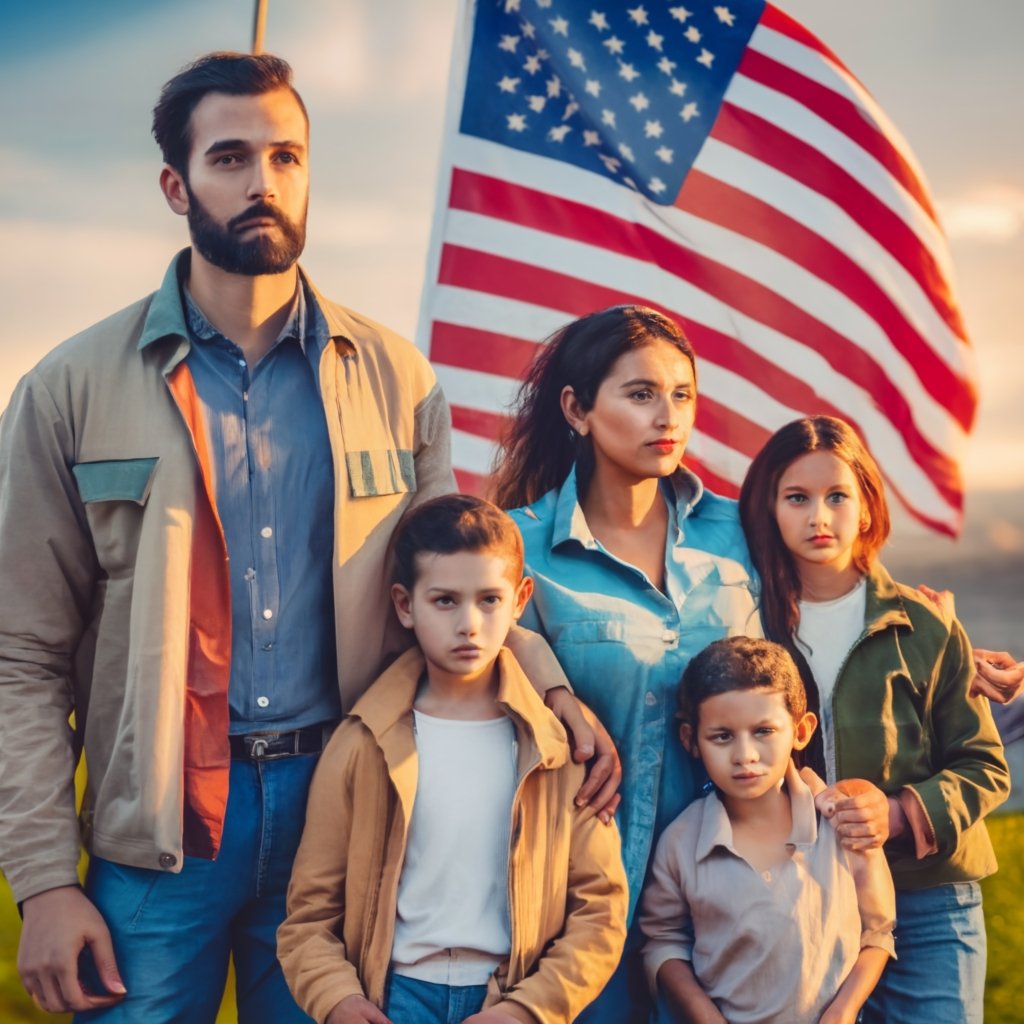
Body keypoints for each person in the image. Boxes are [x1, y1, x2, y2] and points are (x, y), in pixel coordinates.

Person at [0, 52, 613, 1022]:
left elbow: (454, 583)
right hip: (159, 837)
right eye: (231, 157)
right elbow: (19, 655)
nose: (263, 183)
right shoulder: (68, 390)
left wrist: (549, 686)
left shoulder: (398, 380)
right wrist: (42, 880)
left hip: (348, 806)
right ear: (176, 185)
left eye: (287, 157)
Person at [492, 305, 761, 1022]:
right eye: (640, 394)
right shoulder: (518, 548)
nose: (667, 416)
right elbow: (460, 656)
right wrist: (556, 689)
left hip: (732, 901)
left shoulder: (742, 533)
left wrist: (934, 629)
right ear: (577, 409)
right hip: (578, 901)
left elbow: (838, 602)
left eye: (682, 395)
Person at [277, 495, 628, 1024]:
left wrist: (530, 1010)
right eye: (445, 601)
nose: (468, 623)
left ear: (519, 600)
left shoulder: (556, 751)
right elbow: (309, 916)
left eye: (489, 599)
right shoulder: (361, 745)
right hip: (391, 999)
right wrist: (337, 999)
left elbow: (600, 912)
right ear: (405, 605)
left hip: (510, 998)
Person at [738, 415, 1009, 1024]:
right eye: (797, 498)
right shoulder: (748, 627)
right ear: (770, 510)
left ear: (865, 507)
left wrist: (898, 813)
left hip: (926, 900)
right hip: (798, 898)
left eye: (838, 496)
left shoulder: (926, 624)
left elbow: (984, 765)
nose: (819, 517)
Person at [639, 636, 895, 1024]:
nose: (745, 756)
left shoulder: (843, 825)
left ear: (801, 730)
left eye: (763, 731)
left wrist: (842, 1013)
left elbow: (877, 933)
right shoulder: (680, 843)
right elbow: (662, 941)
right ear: (691, 740)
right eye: (722, 736)